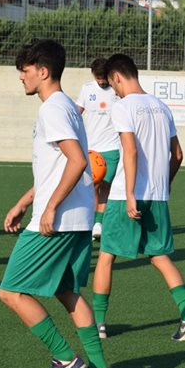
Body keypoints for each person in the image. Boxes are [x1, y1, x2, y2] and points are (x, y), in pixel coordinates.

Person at [0, 39, 113, 368]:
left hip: (57, 221)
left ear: (43, 71)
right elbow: (58, 166)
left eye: (26, 70)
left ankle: (66, 359)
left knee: (11, 291)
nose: (21, 76)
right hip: (77, 219)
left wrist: (48, 208)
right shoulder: (65, 106)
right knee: (67, 291)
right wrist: (24, 201)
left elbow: (78, 162)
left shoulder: (53, 109)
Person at [91, 53, 185, 342]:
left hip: (124, 196)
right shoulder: (161, 106)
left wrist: (129, 194)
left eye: (112, 84)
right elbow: (177, 155)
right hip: (157, 196)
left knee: (106, 256)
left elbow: (129, 152)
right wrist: (163, 186)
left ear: (117, 77)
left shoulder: (123, 107)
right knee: (159, 257)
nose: (113, 90)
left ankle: (99, 324)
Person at [75, 58, 120, 240]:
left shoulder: (117, 90)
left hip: (112, 147)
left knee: (106, 186)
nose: (102, 81)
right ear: (93, 74)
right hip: (91, 148)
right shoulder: (87, 89)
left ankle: (99, 223)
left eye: (104, 78)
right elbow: (77, 112)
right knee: (92, 186)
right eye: (98, 77)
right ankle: (92, 222)